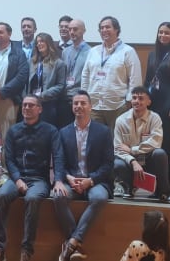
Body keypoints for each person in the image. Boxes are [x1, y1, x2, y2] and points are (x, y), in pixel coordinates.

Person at [0, 95, 63, 261]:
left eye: (31, 105)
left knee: (32, 198)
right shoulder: (13, 130)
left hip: (39, 180)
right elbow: (8, 159)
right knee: (1, 196)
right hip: (17, 178)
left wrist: (58, 179)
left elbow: (58, 156)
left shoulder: (50, 130)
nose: (27, 108)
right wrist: (17, 180)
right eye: (24, 105)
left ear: (39, 109)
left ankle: (26, 251)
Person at [53, 90, 114, 261]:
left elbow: (108, 164)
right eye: (75, 103)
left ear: (90, 106)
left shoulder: (103, 131)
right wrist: (68, 178)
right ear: (72, 107)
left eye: (83, 103)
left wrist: (90, 180)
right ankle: (76, 242)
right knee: (58, 196)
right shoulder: (63, 132)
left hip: (95, 181)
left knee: (100, 198)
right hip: (71, 180)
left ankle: (70, 242)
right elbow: (60, 162)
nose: (79, 106)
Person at [113, 86, 170, 203]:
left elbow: (155, 142)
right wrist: (133, 161)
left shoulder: (155, 118)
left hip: (148, 160)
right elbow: (118, 149)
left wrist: (132, 150)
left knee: (160, 153)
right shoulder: (120, 120)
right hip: (130, 162)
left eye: (141, 98)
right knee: (117, 163)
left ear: (149, 102)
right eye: (134, 98)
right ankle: (129, 188)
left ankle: (164, 192)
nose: (137, 101)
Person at [145, 22, 170, 198]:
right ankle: (156, 187)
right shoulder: (153, 54)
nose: (163, 36)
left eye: (167, 33)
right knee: (155, 148)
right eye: (160, 32)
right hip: (155, 106)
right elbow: (148, 80)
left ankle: (169, 188)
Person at [82, 16, 142, 129]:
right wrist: (84, 97)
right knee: (96, 141)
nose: (104, 30)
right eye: (101, 28)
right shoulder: (93, 51)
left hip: (118, 107)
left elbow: (135, 79)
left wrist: (130, 101)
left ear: (116, 30)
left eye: (107, 27)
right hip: (94, 106)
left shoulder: (128, 51)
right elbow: (85, 76)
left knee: (117, 142)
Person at [27, 32, 67, 128]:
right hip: (32, 103)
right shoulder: (32, 62)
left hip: (48, 103)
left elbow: (60, 85)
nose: (39, 44)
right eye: (37, 42)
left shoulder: (59, 63)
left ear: (48, 43)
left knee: (46, 131)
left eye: (42, 41)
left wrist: (43, 95)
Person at [60, 18, 89, 129]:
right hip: (65, 97)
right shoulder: (65, 51)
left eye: (75, 29)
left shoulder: (90, 52)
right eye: (70, 29)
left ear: (83, 31)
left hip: (79, 99)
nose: (71, 32)